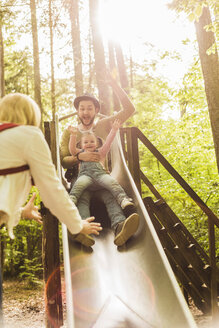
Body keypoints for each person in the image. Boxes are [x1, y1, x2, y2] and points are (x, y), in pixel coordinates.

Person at [0, 93, 102, 242]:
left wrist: (20, 212)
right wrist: (77, 224)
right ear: (30, 115)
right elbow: (51, 188)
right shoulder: (29, 135)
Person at [60, 72, 139, 246]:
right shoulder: (70, 132)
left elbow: (129, 110)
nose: (85, 112)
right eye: (82, 108)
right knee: (82, 197)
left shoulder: (104, 125)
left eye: (89, 108)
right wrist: (80, 156)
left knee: (110, 196)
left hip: (102, 176)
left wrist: (115, 85)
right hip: (80, 178)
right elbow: (64, 160)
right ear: (78, 111)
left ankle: (120, 227)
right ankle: (82, 229)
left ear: (96, 110)